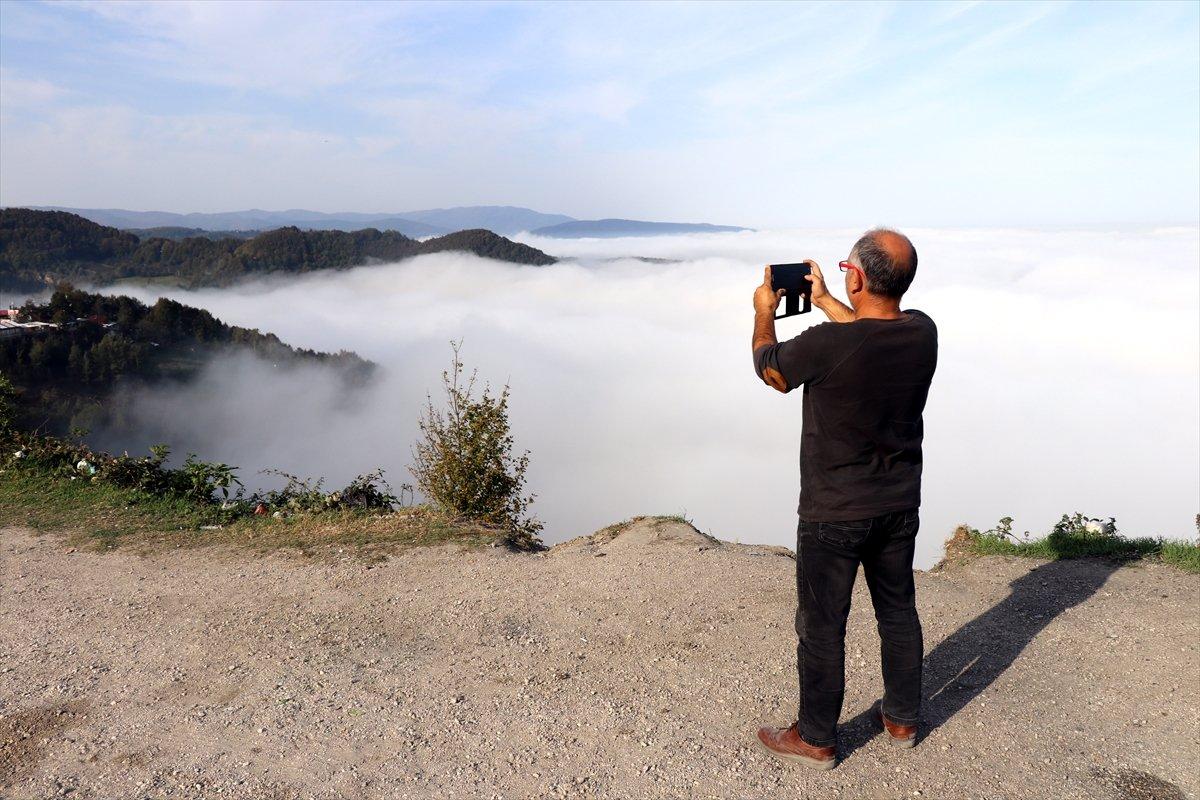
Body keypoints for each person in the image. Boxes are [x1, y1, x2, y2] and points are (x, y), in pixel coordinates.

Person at [749, 228, 937, 770]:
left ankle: (816, 737)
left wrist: (765, 311)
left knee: (823, 625)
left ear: (856, 276)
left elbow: (772, 369)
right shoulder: (923, 332)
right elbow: (868, 333)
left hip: (834, 511)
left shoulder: (827, 345)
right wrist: (831, 299)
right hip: (899, 505)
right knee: (898, 612)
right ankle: (901, 718)